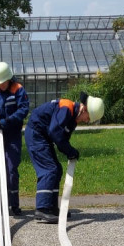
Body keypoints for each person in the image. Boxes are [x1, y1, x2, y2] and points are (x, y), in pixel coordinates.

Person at [24, 91, 104, 223]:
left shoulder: (73, 117)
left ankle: (51, 207)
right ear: (84, 109)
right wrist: (69, 151)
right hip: (36, 135)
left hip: (42, 136)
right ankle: (42, 209)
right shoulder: (66, 108)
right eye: (88, 117)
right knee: (49, 169)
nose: (86, 121)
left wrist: (69, 150)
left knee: (57, 169)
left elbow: (63, 138)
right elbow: (55, 132)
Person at [0, 61, 29, 217]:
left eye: (3, 82)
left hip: (12, 135)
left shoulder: (18, 90)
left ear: (9, 79)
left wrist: (8, 121)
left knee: (11, 170)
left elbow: (23, 109)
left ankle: (14, 205)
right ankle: (1, 204)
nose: (0, 85)